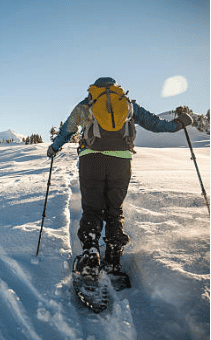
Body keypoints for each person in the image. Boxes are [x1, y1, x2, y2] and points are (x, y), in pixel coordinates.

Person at [47, 77, 193, 278]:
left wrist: (54, 148)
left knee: (92, 207)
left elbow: (67, 130)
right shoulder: (128, 105)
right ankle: (114, 258)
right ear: (116, 88)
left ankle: (90, 255)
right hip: (121, 161)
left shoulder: (87, 104)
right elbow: (156, 125)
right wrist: (179, 124)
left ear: (95, 89)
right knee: (115, 209)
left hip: (92, 160)